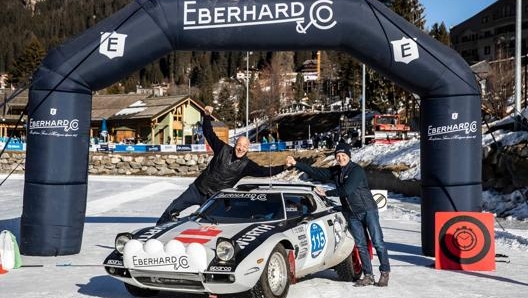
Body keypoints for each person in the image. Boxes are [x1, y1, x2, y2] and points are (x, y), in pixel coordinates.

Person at [157, 105, 287, 225]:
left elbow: (265, 172)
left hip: (215, 198)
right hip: (197, 189)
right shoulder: (222, 149)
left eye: (244, 147)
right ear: (235, 144)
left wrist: (285, 166)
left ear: (248, 149)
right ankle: (159, 227)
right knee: (174, 207)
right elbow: (209, 133)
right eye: (239, 145)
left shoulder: (247, 165)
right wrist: (207, 116)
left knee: (210, 224)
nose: (241, 149)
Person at [285, 142, 390, 287]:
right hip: (352, 213)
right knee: (360, 245)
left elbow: (347, 190)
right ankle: (368, 275)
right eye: (338, 156)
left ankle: (384, 272)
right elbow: (315, 172)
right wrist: (296, 163)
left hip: (368, 210)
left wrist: (326, 193)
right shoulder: (336, 171)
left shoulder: (356, 170)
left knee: (378, 242)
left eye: (343, 155)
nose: (340, 158)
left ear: (349, 156)